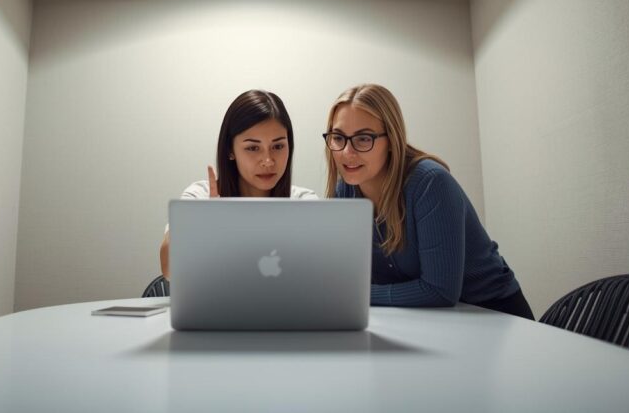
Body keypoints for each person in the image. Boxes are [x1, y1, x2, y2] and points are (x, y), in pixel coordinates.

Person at [323, 84, 533, 319]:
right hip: (428, 318)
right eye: (338, 137)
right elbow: (350, 275)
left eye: (363, 139)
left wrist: (358, 294)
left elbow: (440, 292)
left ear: (391, 139)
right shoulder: (345, 189)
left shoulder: (431, 184)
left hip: (493, 314)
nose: (347, 152)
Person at [160, 89, 317, 279]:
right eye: (253, 148)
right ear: (230, 150)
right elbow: (169, 269)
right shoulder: (200, 196)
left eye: (278, 146)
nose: (268, 160)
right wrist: (204, 224)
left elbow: (314, 275)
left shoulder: (304, 202)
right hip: (218, 308)